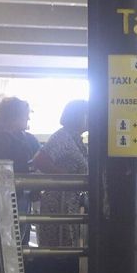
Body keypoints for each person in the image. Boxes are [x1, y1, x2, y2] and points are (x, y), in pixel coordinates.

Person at [32, 99, 87, 248]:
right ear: (80, 116)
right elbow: (40, 160)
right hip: (58, 201)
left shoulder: (75, 138)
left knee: (68, 242)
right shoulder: (63, 137)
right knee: (58, 244)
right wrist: (65, 177)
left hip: (70, 201)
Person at [0, 97, 39, 172]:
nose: (28, 118)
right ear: (13, 116)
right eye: (25, 114)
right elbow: (3, 170)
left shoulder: (29, 138)